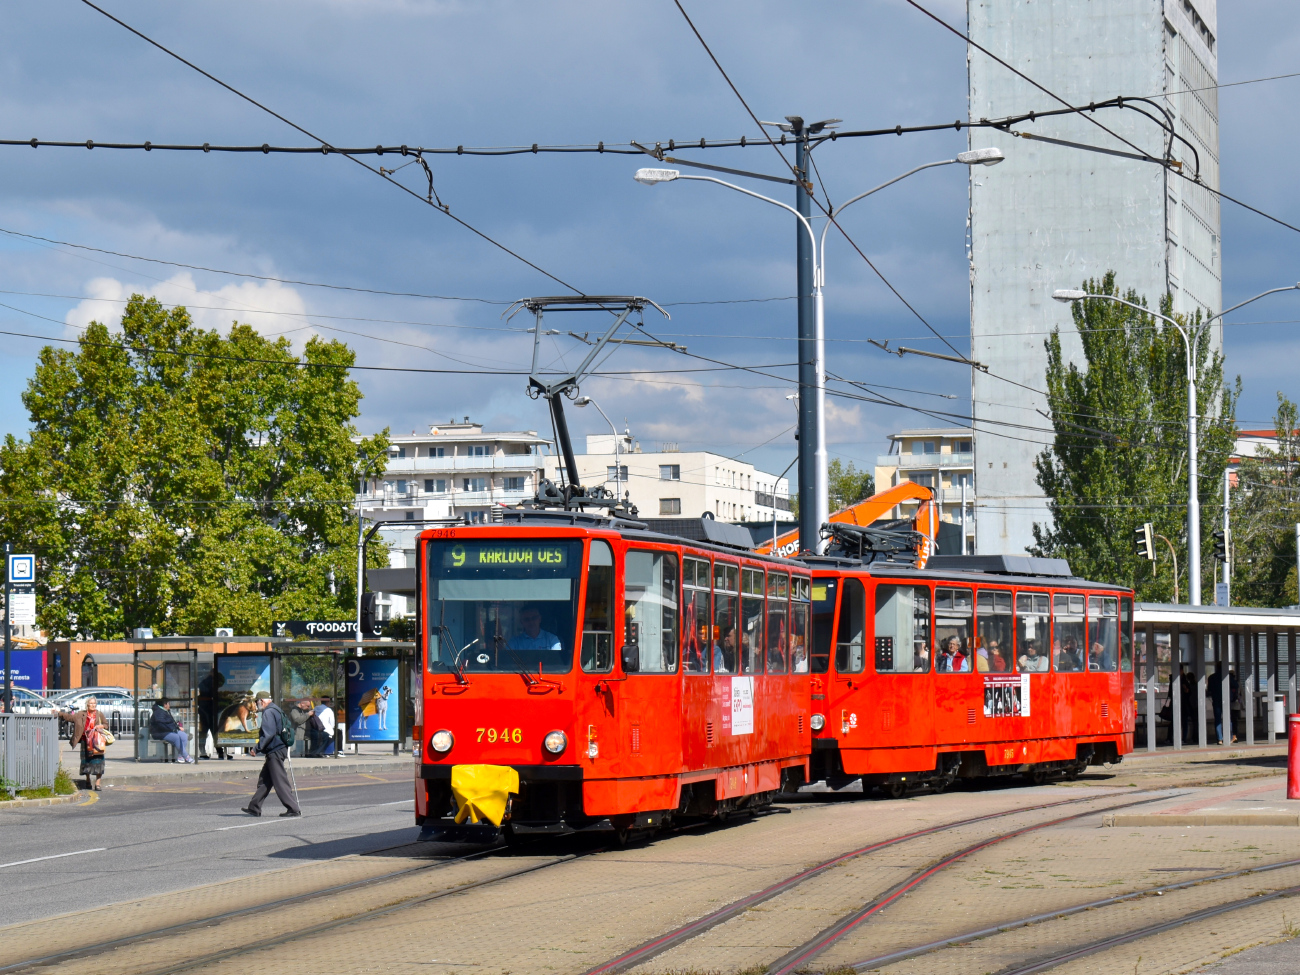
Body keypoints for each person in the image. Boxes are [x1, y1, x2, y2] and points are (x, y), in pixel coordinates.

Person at [241, 691, 301, 818]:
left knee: (279, 780)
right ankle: (254, 807)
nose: (257, 706)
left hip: (275, 749)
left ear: (261, 701)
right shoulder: (276, 709)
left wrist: (256, 748)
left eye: (257, 702)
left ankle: (293, 808)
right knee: (265, 780)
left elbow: (268, 733)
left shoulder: (268, 712)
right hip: (278, 748)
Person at [55, 696, 108, 791]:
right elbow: (70, 717)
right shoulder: (81, 714)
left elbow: (106, 725)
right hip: (85, 741)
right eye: (91, 703)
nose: (93, 705)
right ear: (87, 704)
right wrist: (59, 713)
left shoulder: (99, 714)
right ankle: (88, 780)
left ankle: (97, 783)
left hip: (97, 742)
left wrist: (101, 725)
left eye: (94, 703)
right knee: (86, 762)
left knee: (99, 762)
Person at [149, 699, 194, 764]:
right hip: (160, 732)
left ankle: (180, 756)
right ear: (165, 705)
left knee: (183, 736)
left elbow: (170, 723)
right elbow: (162, 725)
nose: (169, 705)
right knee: (176, 737)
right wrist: (173, 730)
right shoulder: (158, 712)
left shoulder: (165, 711)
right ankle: (186, 756)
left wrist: (177, 728)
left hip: (168, 730)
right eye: (168, 704)